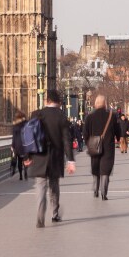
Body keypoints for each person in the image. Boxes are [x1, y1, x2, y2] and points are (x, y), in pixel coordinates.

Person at [22, 88, 75, 227]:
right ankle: (55, 214)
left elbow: (28, 136)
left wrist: (27, 156)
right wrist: (70, 160)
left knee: (40, 186)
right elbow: (67, 140)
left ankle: (40, 215)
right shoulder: (61, 116)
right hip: (55, 157)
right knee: (54, 186)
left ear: (46, 100)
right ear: (58, 102)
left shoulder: (36, 114)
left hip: (39, 157)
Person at [83, 94, 126, 200]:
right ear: (105, 104)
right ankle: (104, 192)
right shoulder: (111, 116)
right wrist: (118, 137)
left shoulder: (89, 117)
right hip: (108, 146)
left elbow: (85, 133)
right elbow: (117, 130)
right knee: (105, 169)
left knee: (96, 167)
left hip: (94, 145)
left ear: (95, 104)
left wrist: (88, 142)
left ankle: (95, 189)